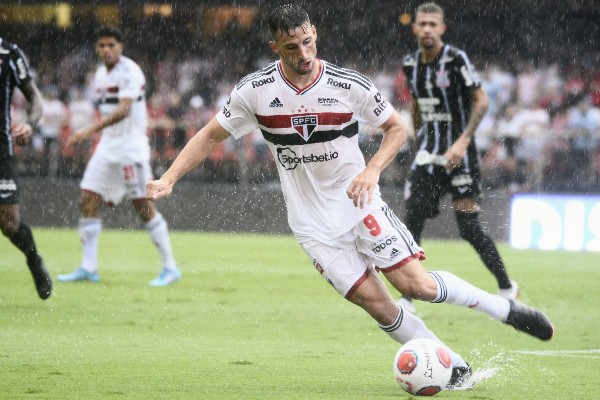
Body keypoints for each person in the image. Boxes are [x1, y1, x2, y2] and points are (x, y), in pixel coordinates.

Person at [146, 4, 553, 389]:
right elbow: (209, 135)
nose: (303, 53)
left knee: (417, 287)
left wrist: (371, 170)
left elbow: (397, 128)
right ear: (275, 48)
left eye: (307, 41)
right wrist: (169, 178)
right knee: (380, 307)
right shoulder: (255, 92)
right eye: (291, 47)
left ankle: (505, 310)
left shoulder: (347, 84)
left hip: (360, 207)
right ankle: (454, 368)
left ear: (314, 33)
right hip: (312, 227)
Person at [398, 3, 518, 313]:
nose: (426, 28)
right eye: (421, 23)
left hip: (460, 156)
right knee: (411, 222)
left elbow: (481, 100)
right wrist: (417, 140)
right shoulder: (410, 62)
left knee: (469, 228)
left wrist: (463, 142)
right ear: (414, 28)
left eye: (432, 24)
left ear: (441, 28)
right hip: (427, 155)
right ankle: (407, 296)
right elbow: (415, 103)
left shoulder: (454, 58)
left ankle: (506, 286)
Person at [57, 26, 180, 287]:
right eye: (101, 45)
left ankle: (170, 268)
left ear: (120, 47)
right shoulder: (100, 73)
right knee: (87, 200)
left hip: (130, 148)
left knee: (143, 206)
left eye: (111, 45)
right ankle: (88, 267)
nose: (106, 50)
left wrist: (87, 130)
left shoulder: (130, 72)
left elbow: (124, 111)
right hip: (108, 147)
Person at [0, 37, 52, 300]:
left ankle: (33, 260)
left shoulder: (8, 52)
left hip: (1, 149)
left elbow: (35, 99)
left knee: (8, 222)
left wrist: (30, 124)